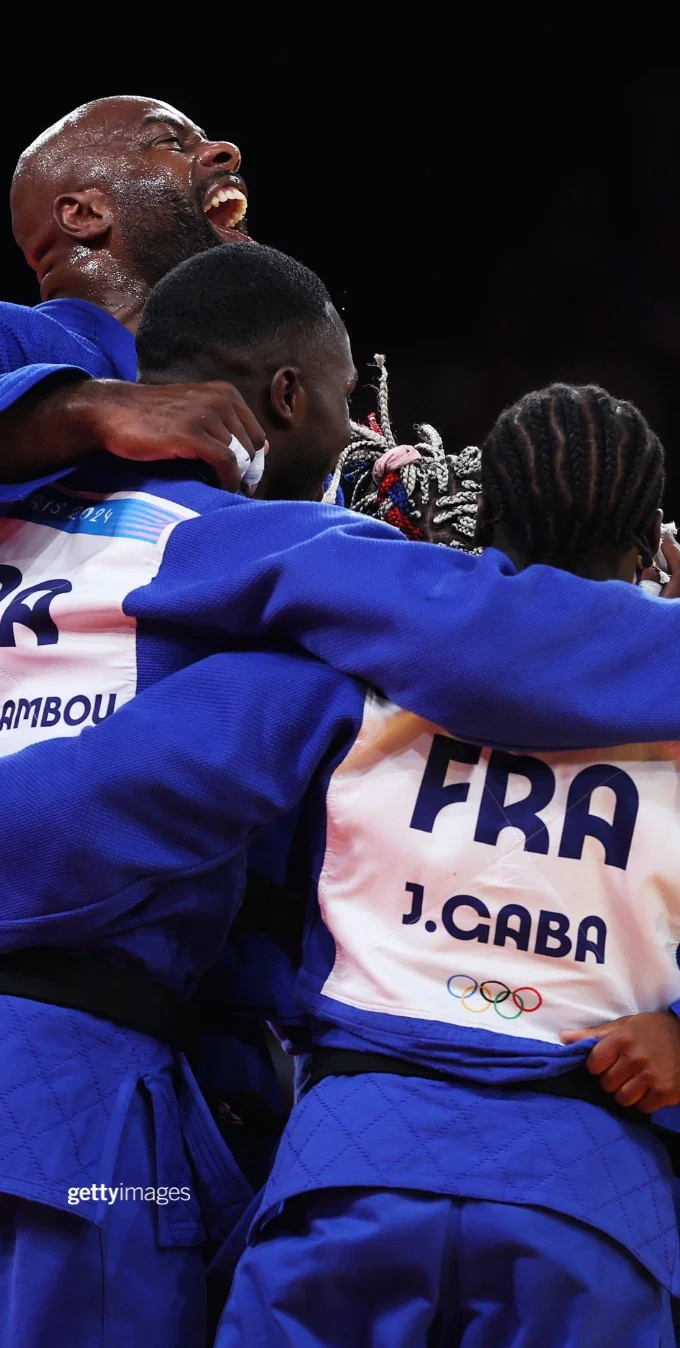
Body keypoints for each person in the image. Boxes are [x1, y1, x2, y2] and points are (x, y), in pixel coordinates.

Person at [2, 251, 680, 1348]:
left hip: (345, 1174)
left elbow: (84, 810)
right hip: (582, 1189)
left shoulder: (322, 670)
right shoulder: (326, 605)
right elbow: (495, 639)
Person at [0, 95, 266, 494]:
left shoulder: (257, 404)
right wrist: (88, 411)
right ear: (84, 215)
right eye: (171, 143)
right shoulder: (13, 333)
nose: (226, 152)